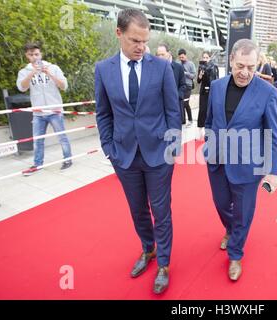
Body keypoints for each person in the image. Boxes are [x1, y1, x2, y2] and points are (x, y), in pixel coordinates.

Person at [95, 8, 181, 294]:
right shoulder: (103, 69)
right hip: (124, 156)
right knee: (137, 210)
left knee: (161, 210)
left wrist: (172, 148)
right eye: (135, 41)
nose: (141, 48)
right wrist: (109, 148)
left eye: (145, 41)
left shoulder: (161, 67)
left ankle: (164, 264)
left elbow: (173, 111)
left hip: (158, 155)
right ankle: (148, 250)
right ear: (118, 34)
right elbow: (103, 113)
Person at [204, 39, 277, 281]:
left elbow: (272, 134)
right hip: (216, 160)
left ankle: (235, 254)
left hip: (249, 165)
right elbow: (209, 120)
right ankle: (230, 230)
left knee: (244, 213)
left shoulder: (268, 92)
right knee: (220, 203)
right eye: (240, 66)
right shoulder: (216, 86)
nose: (245, 72)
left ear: (257, 63)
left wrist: (273, 170)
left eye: (250, 66)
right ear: (230, 61)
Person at [16, 42, 72, 176]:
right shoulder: (24, 71)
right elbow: (22, 88)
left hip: (55, 110)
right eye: (31, 55)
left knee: (62, 137)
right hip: (38, 112)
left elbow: (64, 86)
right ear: (27, 56)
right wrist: (32, 73)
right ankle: (37, 164)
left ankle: (68, 159)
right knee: (38, 140)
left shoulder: (53, 68)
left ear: (40, 54)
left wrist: (49, 74)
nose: (34, 57)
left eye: (36, 54)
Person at [156, 44, 186, 124]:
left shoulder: (178, 67)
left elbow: (183, 85)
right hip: (159, 108)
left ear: (169, 53)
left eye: (162, 54)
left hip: (174, 107)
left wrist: (176, 96)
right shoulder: (154, 68)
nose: (160, 57)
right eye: (158, 55)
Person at [196, 51, 218, 138]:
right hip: (203, 91)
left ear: (210, 58)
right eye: (203, 57)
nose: (205, 59)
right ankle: (200, 130)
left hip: (211, 91)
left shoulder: (214, 67)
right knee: (202, 110)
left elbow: (216, 79)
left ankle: (209, 130)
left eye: (206, 57)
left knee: (210, 110)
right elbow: (198, 81)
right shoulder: (201, 67)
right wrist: (200, 75)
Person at [178, 48, 196, 127]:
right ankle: (183, 120)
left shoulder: (191, 64)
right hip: (181, 86)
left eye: (183, 57)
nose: (181, 59)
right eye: (180, 57)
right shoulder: (178, 64)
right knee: (181, 103)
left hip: (188, 86)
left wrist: (185, 73)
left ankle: (190, 120)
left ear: (185, 55)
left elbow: (193, 76)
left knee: (185, 103)